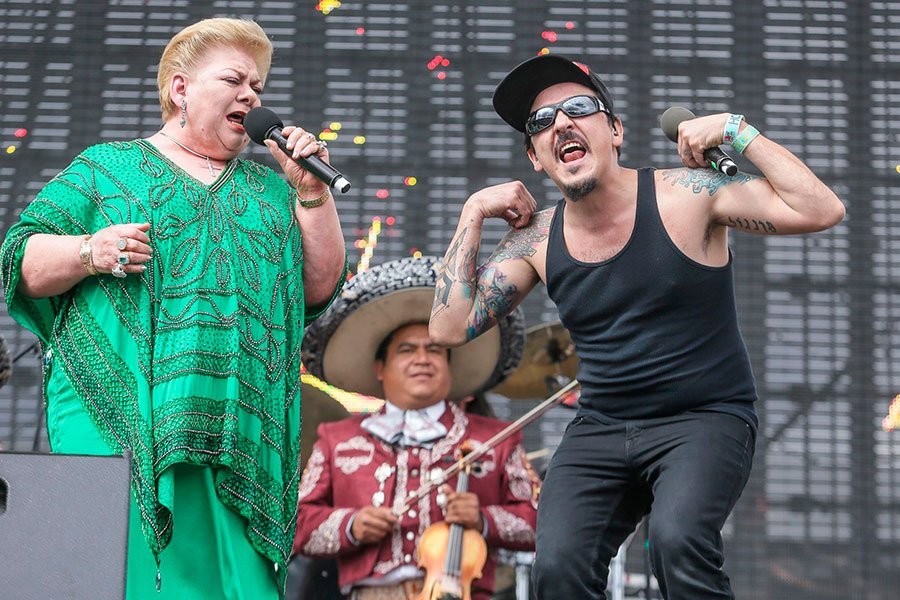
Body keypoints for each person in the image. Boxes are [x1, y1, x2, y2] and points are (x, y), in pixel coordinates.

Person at [429, 54, 845, 599]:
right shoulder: (536, 239)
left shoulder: (688, 195)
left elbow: (822, 209)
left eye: (578, 108)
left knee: (677, 542)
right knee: (557, 569)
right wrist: (473, 211)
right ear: (535, 158)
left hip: (703, 418)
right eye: (541, 122)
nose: (561, 123)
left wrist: (737, 131)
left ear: (615, 130)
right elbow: (447, 329)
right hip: (601, 427)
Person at [0, 17, 346, 599]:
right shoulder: (106, 169)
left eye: (257, 87)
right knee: (121, 576)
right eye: (234, 80)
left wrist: (311, 193)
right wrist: (89, 250)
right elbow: (19, 261)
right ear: (180, 88)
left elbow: (317, 290)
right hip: (120, 421)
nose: (251, 96)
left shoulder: (272, 190)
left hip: (240, 435)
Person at [294, 256, 540, 600]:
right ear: (380, 368)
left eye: (435, 350)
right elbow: (296, 525)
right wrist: (351, 525)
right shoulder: (336, 439)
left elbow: (540, 522)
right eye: (406, 350)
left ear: (449, 366)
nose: (422, 359)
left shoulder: (495, 439)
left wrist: (484, 519)